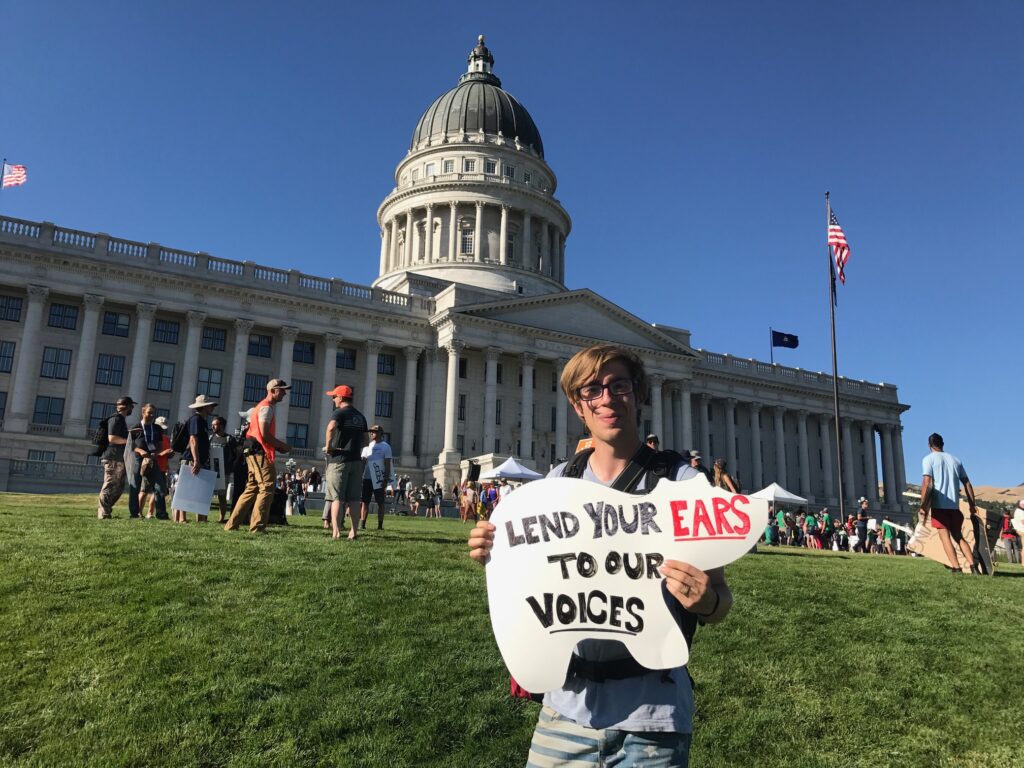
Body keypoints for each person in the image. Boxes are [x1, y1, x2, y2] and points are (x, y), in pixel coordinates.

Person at [468, 344, 733, 767]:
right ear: (578, 406)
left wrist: (707, 601)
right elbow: (536, 585)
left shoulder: (684, 483)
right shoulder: (559, 481)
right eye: (592, 389)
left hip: (653, 713)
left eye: (619, 385)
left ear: (639, 394)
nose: (607, 398)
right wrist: (498, 558)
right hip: (566, 707)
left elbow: (719, 599)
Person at [224, 379, 291, 534]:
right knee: (267, 488)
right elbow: (265, 434)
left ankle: (231, 525)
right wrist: (282, 445)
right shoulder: (266, 408)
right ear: (273, 390)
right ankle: (258, 527)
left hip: (254, 452)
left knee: (251, 489)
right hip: (260, 453)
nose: (284, 393)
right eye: (282, 390)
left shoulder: (263, 407)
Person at [919, 432, 977, 574]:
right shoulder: (955, 460)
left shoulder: (929, 459)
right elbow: (967, 483)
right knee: (958, 536)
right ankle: (973, 566)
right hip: (954, 507)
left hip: (939, 506)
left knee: (945, 538)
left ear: (929, 445)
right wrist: (971, 504)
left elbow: (927, 482)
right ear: (942, 444)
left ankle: (956, 567)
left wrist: (923, 506)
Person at [322, 384, 367, 540]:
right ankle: (354, 532)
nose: (333, 399)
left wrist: (329, 447)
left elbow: (330, 428)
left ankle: (336, 532)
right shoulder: (360, 416)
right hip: (356, 461)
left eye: (334, 397)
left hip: (339, 460)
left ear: (340, 398)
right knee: (354, 499)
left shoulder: (339, 413)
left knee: (337, 498)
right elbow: (366, 440)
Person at [175, 394, 217, 523]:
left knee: (198, 488)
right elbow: (193, 439)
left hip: (198, 459)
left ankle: (200, 518)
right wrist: (196, 460)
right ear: (204, 407)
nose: (212, 407)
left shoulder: (203, 421)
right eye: (210, 405)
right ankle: (182, 518)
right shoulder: (196, 420)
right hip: (191, 458)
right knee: (186, 488)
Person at [97, 396, 136, 519]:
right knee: (110, 484)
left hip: (118, 457)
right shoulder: (116, 419)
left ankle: (106, 510)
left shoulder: (120, 420)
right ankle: (103, 512)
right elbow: (112, 438)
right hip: (113, 457)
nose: (132, 409)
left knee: (118, 487)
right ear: (127, 407)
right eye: (132, 406)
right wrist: (129, 441)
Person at [132, 404, 170, 520]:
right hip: (139, 459)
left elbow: (159, 445)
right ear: (143, 412)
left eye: (153, 413)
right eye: (149, 412)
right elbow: (130, 445)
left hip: (153, 460)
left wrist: (156, 453)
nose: (151, 415)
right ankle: (135, 513)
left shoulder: (157, 428)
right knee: (136, 487)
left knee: (159, 487)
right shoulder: (136, 427)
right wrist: (139, 450)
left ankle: (161, 514)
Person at [360, 424, 393, 530]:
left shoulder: (386, 447)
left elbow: (387, 464)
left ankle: (380, 525)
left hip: (379, 478)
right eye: (371, 431)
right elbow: (362, 463)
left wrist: (385, 479)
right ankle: (362, 524)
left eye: (374, 431)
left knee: (380, 502)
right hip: (367, 477)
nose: (371, 433)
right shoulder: (367, 447)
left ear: (380, 433)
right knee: (365, 501)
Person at [208, 414, 239, 524]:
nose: (212, 427)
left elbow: (236, 454)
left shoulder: (229, 439)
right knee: (207, 494)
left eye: (215, 425)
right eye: (212, 425)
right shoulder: (210, 438)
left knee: (221, 495)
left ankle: (221, 518)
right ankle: (204, 516)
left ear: (221, 426)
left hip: (224, 471)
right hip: (211, 470)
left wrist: (231, 466)